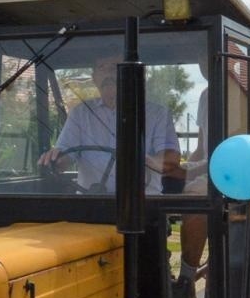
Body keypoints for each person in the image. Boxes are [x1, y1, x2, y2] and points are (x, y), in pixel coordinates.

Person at [39, 56, 183, 194]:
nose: (108, 73)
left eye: (115, 67)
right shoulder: (80, 113)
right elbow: (65, 156)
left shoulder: (157, 114)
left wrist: (143, 159)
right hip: (90, 203)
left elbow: (171, 159)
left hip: (141, 205)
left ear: (133, 75)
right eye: (102, 67)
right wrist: (55, 160)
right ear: (94, 78)